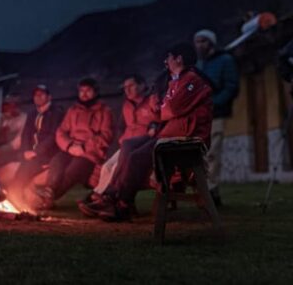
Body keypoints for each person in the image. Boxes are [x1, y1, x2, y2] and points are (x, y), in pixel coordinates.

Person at [84, 43, 213, 221]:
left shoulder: (192, 81)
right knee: (128, 145)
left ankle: (122, 203)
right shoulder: (177, 81)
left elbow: (172, 109)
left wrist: (162, 108)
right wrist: (161, 108)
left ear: (179, 58)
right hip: (171, 134)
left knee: (137, 158)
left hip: (184, 138)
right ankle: (112, 196)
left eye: (168, 57)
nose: (165, 62)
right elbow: (162, 112)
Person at [79, 74, 159, 210]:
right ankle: (98, 195)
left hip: (142, 145)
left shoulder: (152, 100)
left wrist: (153, 128)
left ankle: (106, 198)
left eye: (131, 86)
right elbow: (121, 126)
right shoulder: (127, 105)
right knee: (107, 167)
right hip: (128, 144)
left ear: (142, 85)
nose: (127, 90)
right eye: (125, 87)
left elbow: (159, 120)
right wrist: (122, 138)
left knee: (117, 168)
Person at [31, 78, 113, 211]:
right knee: (57, 161)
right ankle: (49, 191)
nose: (84, 94)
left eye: (88, 91)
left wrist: (84, 147)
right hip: (71, 149)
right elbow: (61, 131)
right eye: (81, 91)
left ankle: (48, 199)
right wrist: (69, 146)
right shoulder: (73, 110)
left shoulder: (104, 111)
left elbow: (106, 135)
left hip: (90, 154)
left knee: (72, 171)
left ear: (95, 92)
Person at [194, 29, 239, 207]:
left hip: (217, 113)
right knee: (201, 154)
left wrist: (215, 103)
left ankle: (210, 191)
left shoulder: (225, 60)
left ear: (211, 43)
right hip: (199, 116)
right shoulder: (198, 64)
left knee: (213, 153)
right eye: (197, 41)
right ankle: (209, 191)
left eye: (203, 41)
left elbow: (231, 86)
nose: (199, 45)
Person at [9, 85, 65, 210]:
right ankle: (17, 199)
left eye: (41, 94)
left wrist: (36, 152)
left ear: (49, 97)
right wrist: (25, 152)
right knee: (19, 169)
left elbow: (53, 136)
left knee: (25, 170)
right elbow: (26, 135)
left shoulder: (57, 113)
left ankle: (18, 197)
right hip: (31, 155)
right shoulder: (32, 113)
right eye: (36, 95)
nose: (38, 97)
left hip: (47, 154)